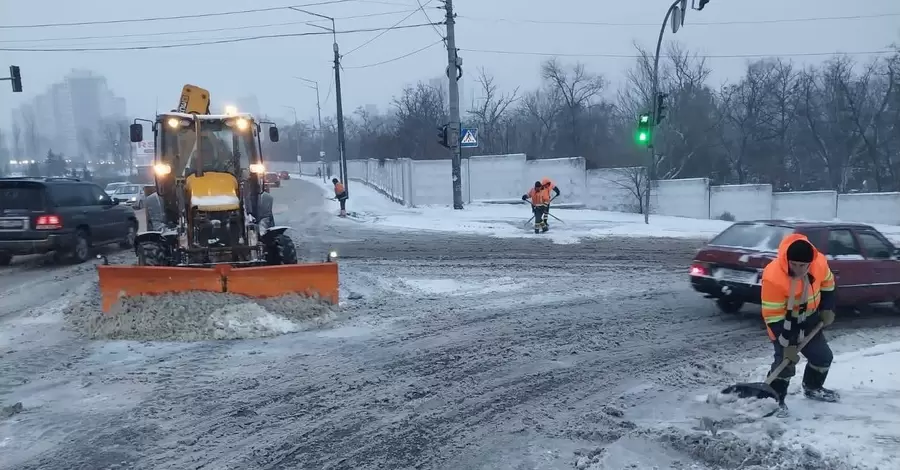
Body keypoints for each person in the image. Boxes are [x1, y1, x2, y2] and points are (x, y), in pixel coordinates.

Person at [760, 233, 838, 409]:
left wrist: (828, 308)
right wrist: (787, 344)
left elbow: (828, 284)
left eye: (802, 265)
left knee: (822, 357)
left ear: (810, 262)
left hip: (809, 317)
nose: (797, 269)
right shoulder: (773, 276)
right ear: (787, 259)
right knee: (786, 363)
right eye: (793, 264)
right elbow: (773, 315)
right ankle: (774, 401)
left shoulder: (820, 264)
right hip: (783, 322)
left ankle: (813, 387)